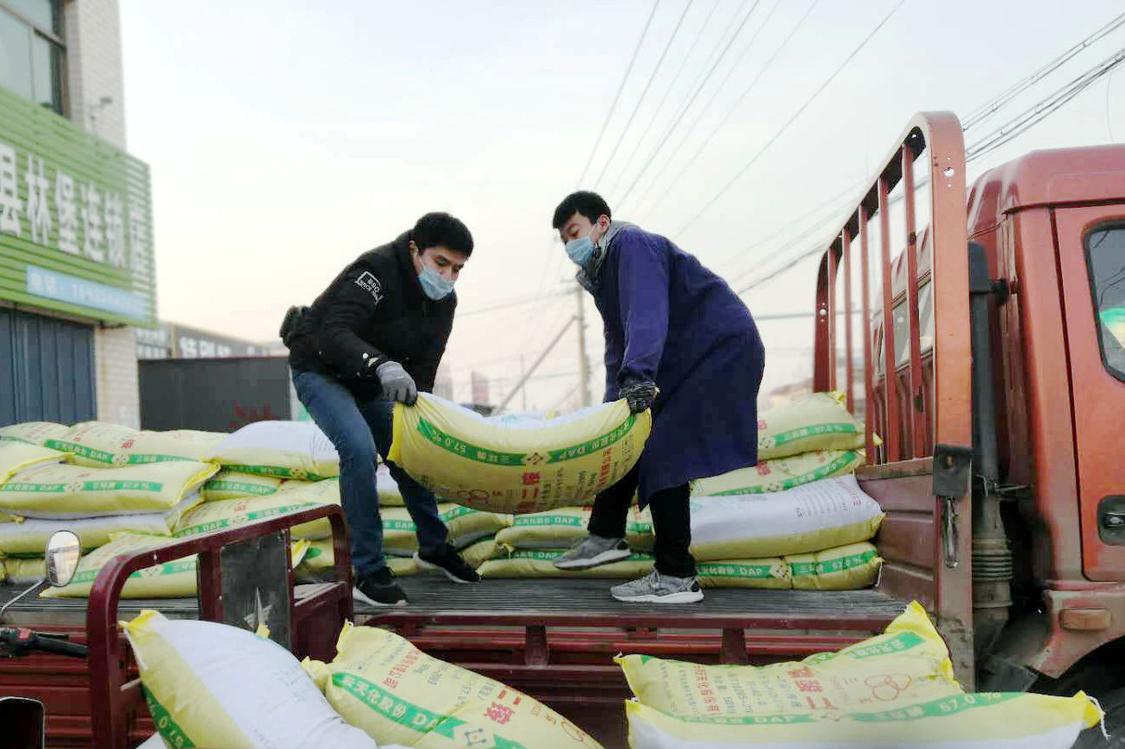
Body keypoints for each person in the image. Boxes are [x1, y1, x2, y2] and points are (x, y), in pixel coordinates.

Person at [550, 191, 765, 604]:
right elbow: (618, 343)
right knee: (627, 437)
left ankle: (675, 575)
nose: (570, 245)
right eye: (564, 240)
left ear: (602, 223)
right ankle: (606, 535)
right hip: (682, 362)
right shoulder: (603, 274)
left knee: (664, 450)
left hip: (717, 350)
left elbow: (646, 312)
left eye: (574, 232)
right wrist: (614, 408)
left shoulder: (631, 244)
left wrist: (639, 375)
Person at [282, 212, 480, 607]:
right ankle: (368, 570)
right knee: (358, 449)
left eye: (457, 269)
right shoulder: (375, 271)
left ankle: (434, 547)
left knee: (410, 449)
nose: (447, 276)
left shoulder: (445, 301)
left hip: (371, 382)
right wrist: (380, 364)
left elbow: (425, 366)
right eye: (441, 263)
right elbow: (333, 331)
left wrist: (421, 412)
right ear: (415, 249)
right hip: (320, 368)